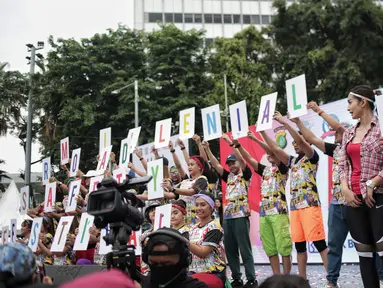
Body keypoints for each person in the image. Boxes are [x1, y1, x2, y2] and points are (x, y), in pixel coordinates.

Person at [261, 111, 328, 281]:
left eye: (298, 142)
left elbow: (300, 140)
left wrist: (285, 122)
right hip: (295, 208)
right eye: (293, 143)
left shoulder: (312, 156)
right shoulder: (293, 161)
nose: (295, 144)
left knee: (319, 244)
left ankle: (331, 279)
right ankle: (302, 281)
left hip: (310, 205)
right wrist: (262, 132)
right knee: (299, 246)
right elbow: (275, 149)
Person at [291, 101, 351, 287]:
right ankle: (330, 281)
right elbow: (312, 139)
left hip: (354, 201)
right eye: (335, 135)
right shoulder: (336, 150)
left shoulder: (354, 149)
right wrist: (297, 123)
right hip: (335, 203)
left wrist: (317, 111)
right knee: (332, 245)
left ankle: (378, 277)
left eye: (338, 134)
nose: (335, 136)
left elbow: (310, 140)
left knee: (365, 244)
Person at [339, 85, 383, 288]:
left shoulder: (381, 129)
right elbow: (342, 165)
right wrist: (345, 189)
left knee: (382, 252)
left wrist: (373, 182)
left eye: (350, 102)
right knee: (365, 256)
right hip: (353, 200)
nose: (348, 107)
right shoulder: (348, 133)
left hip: (377, 197)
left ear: (363, 102)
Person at [204, 135, 257, 288]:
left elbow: (242, 159)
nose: (231, 166)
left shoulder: (245, 175)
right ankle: (237, 278)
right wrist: (207, 149)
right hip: (227, 217)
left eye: (233, 163)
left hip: (241, 216)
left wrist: (232, 144)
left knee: (244, 248)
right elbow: (215, 164)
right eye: (229, 164)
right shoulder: (229, 177)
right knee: (231, 249)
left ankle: (251, 278)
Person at [234, 135, 292, 275]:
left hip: (279, 212)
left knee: (284, 247)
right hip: (264, 214)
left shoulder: (283, 168)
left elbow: (273, 151)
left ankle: (286, 279)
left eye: (271, 154)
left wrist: (255, 139)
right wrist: (237, 146)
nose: (269, 155)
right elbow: (249, 159)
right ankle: (277, 278)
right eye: (267, 154)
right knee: (270, 248)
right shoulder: (265, 170)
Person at [141, 227, 208, 288]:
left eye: (166, 264)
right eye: (154, 263)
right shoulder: (139, 285)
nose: (160, 268)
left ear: (183, 260)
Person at [187, 192, 226, 288]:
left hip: (213, 272)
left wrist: (184, 242)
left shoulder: (214, 226)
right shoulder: (193, 228)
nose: (199, 208)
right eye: (196, 205)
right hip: (194, 271)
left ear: (211, 208)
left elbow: (203, 253)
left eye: (203, 205)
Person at [162, 156, 209, 226]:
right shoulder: (184, 182)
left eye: (192, 165)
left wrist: (172, 188)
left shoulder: (202, 180)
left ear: (199, 167)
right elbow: (171, 195)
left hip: (197, 216)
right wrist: (157, 192)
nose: (189, 167)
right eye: (188, 165)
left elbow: (191, 192)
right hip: (184, 217)